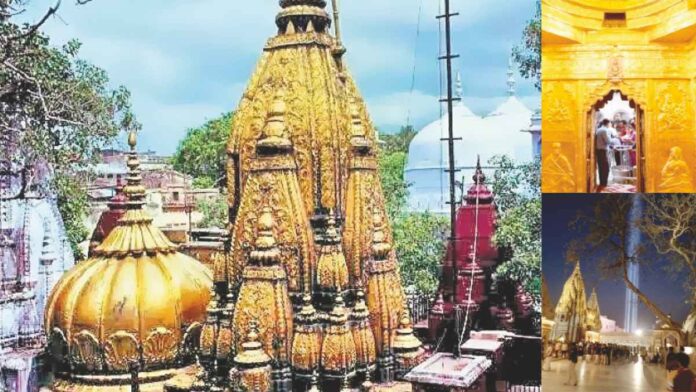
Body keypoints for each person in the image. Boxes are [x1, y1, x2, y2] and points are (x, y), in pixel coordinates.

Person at [595, 119, 612, 190]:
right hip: (603, 151)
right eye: (610, 123)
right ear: (607, 123)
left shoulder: (598, 129)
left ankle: (602, 183)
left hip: (599, 151)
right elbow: (608, 141)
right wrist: (614, 139)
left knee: (601, 167)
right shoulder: (605, 130)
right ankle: (604, 184)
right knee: (606, 168)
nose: (610, 125)